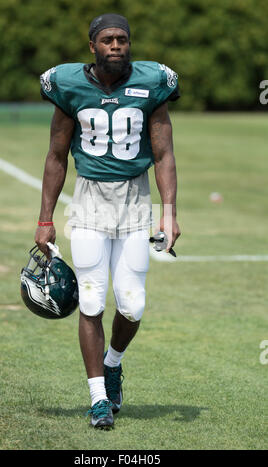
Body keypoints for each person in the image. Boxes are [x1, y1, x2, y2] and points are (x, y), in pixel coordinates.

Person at [35, 13, 181, 429]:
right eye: (107, 40)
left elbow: (164, 155)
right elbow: (56, 156)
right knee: (94, 299)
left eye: (122, 39)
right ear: (92, 46)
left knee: (132, 304)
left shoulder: (153, 82)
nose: (116, 45)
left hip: (136, 201)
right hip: (89, 202)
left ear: (129, 44)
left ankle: (113, 363)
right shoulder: (69, 83)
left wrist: (168, 213)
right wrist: (44, 219)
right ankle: (99, 398)